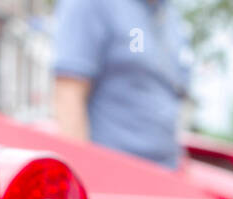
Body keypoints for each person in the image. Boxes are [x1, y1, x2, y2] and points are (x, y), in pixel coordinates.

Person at [52, 0, 192, 169]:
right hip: (114, 175)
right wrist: (81, 177)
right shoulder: (89, 4)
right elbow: (68, 95)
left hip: (167, 174)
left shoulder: (170, 15)